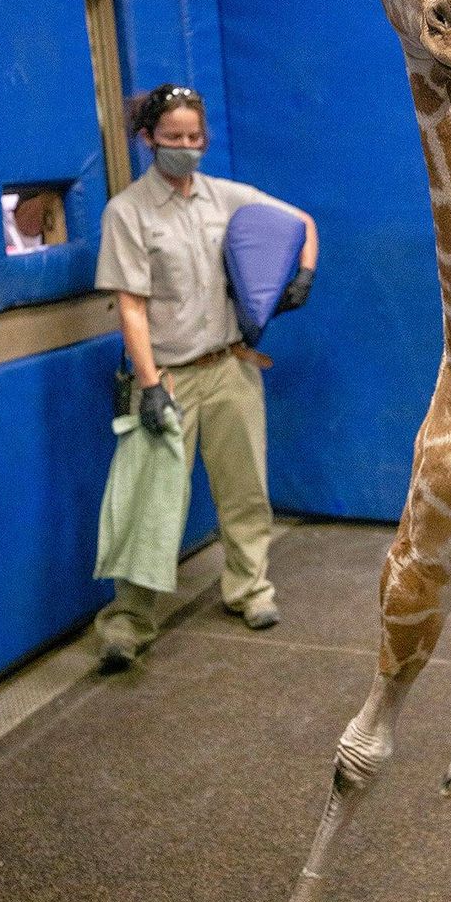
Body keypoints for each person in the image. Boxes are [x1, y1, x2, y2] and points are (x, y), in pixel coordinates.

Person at [94, 83, 318, 673]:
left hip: (231, 369)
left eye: (196, 137)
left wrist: (302, 276)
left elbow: (302, 220)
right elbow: (131, 307)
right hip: (167, 377)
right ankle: (129, 623)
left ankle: (250, 590)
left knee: (245, 491)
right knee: (147, 505)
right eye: (174, 138)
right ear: (148, 140)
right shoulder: (127, 213)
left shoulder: (226, 198)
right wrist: (147, 384)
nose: (187, 148)